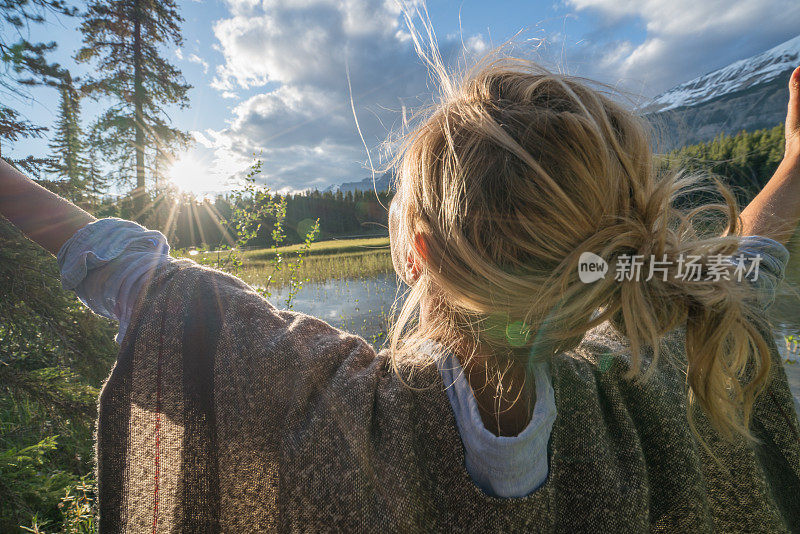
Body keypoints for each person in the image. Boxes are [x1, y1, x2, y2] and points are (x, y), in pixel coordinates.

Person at [2, 57, 800, 532]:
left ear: (417, 254)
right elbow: (735, 271)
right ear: (618, 238)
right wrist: (794, 167)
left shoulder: (343, 416)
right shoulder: (670, 371)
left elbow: (138, 279)